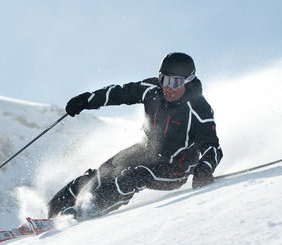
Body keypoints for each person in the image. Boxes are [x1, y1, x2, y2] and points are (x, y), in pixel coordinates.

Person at [48, 52, 223, 219]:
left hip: (175, 166)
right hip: (147, 151)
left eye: (175, 82)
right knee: (100, 175)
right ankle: (49, 213)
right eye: (164, 80)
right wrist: (86, 100)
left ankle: (88, 210)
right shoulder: (151, 89)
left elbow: (212, 146)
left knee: (134, 176)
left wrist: (204, 168)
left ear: (188, 81)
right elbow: (117, 93)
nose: (168, 88)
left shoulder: (198, 107)